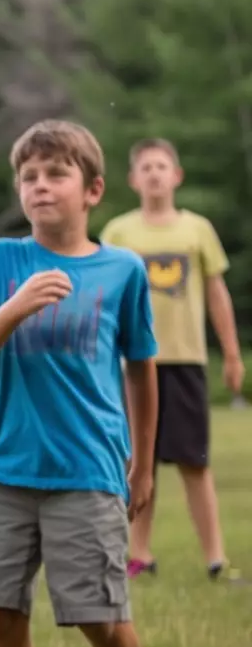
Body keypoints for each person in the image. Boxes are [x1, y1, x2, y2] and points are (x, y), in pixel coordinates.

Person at [0, 120, 158, 647]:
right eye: (28, 176)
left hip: (88, 470)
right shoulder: (1, 261)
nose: (39, 185)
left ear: (92, 190)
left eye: (56, 174)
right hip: (7, 470)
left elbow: (141, 369)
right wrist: (15, 306)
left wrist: (142, 467)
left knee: (101, 617)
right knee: (1, 612)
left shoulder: (123, 271)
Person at [99, 137, 243, 581]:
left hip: (185, 360)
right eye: (146, 167)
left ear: (176, 176)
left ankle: (215, 558)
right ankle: (138, 554)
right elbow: (101, 296)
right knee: (138, 460)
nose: (155, 173)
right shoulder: (119, 233)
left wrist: (232, 353)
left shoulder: (196, 229)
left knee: (194, 460)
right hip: (133, 363)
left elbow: (217, 295)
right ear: (133, 179)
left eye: (162, 166)